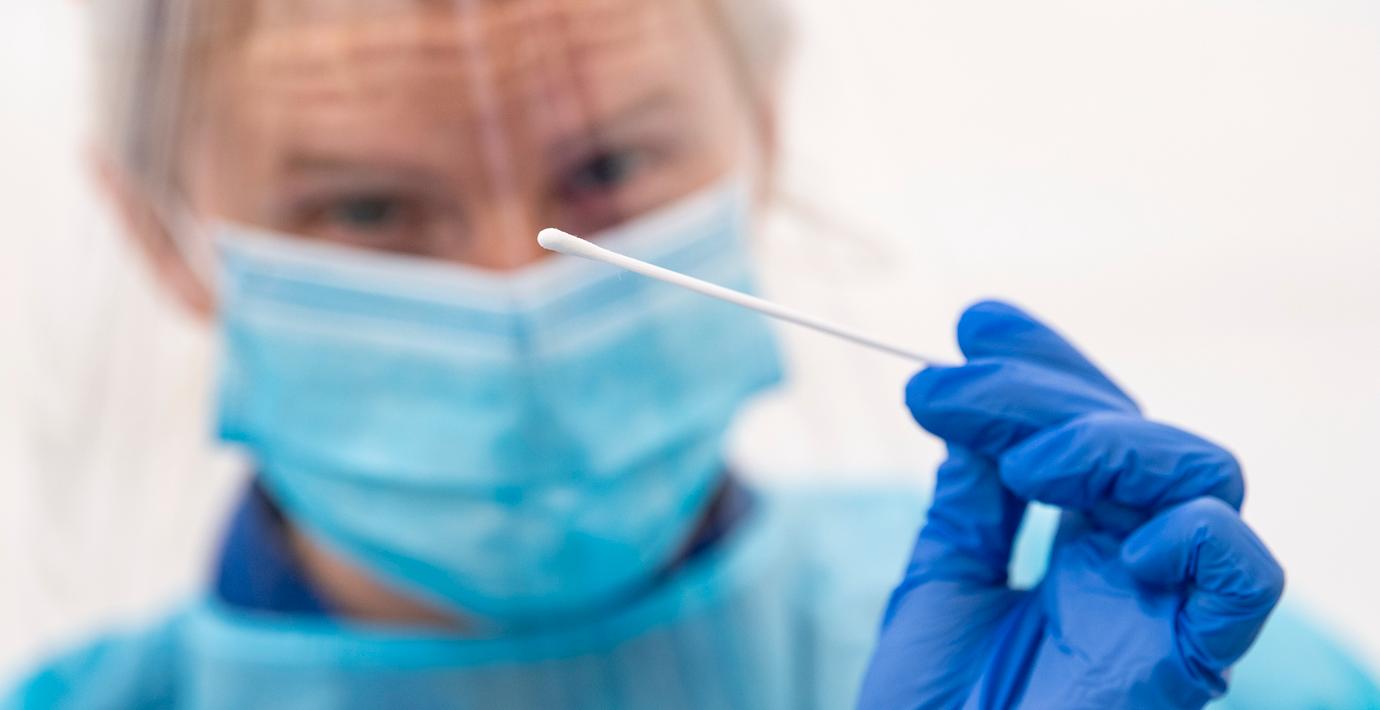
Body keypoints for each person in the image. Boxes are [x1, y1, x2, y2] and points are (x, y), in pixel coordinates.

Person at [5, 0, 1378, 707]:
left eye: (607, 168)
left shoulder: (1139, 661)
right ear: (163, 233)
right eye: (366, 210)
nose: (517, 289)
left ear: (760, 136)